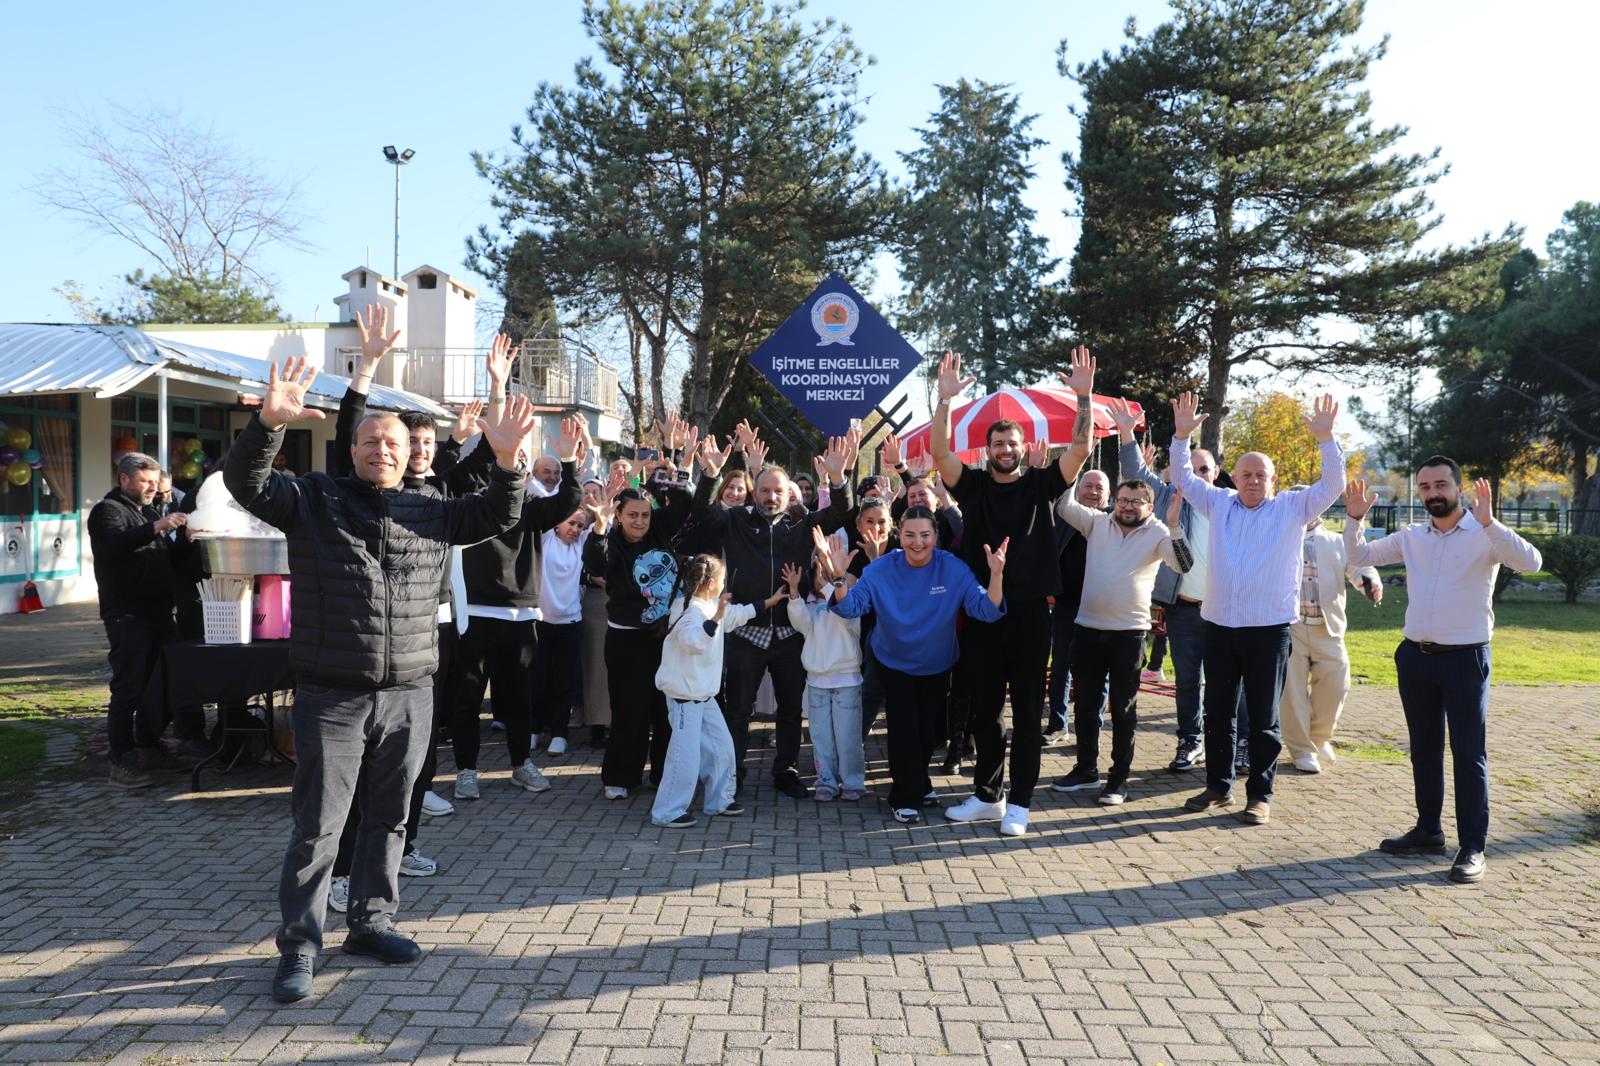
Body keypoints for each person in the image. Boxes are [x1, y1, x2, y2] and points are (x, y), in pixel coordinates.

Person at [225, 355, 536, 1004]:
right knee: (319, 829)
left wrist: (507, 464)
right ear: (353, 447)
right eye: (370, 440)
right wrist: (267, 427)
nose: (382, 450)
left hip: (410, 694)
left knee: (390, 818)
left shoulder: (433, 508)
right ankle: (300, 948)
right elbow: (248, 484)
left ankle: (370, 924)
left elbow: (497, 517)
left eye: (393, 443)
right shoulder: (313, 499)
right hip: (330, 695)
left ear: (407, 454)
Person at [1344, 462, 1542, 884]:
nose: (1433, 492)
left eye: (1441, 484)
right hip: (1416, 657)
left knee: (1469, 755)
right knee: (1424, 748)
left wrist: (1490, 523)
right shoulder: (1413, 536)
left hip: (1465, 659)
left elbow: (1532, 563)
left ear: (1459, 488)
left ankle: (1473, 847)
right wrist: (1355, 519)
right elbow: (1359, 557)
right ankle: (1428, 830)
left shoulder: (1484, 535)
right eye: (1425, 486)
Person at [932, 348, 1095, 838]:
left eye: (1012, 441)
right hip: (982, 611)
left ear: (1025, 447)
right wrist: (945, 402)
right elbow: (941, 453)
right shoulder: (973, 485)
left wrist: (1083, 396)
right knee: (984, 711)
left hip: (1029, 615)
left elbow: (1082, 450)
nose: (1005, 448)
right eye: (998, 442)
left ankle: (1019, 804)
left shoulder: (1043, 485)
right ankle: (988, 795)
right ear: (987, 450)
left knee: (1027, 712)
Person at [1167, 390, 1346, 826]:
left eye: (1259, 475)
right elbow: (1184, 479)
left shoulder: (1292, 508)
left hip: (1268, 632)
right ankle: (1218, 785)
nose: (1251, 481)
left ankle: (1260, 794)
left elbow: (1333, 485)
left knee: (1264, 719)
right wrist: (1181, 437)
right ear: (1235, 478)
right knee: (1218, 712)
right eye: (1245, 474)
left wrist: (1326, 440)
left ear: (1273, 479)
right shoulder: (1219, 502)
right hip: (1220, 628)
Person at [687, 426, 853, 799]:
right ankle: (733, 772)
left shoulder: (802, 523)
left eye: (778, 490)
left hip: (791, 632)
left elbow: (842, 511)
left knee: (791, 709)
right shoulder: (735, 521)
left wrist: (840, 478)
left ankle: (786, 770)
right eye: (764, 490)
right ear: (754, 491)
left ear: (787, 493)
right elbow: (702, 511)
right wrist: (712, 475)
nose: (771, 496)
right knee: (739, 709)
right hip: (747, 629)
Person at [818, 511, 1008, 824]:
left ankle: (920, 782)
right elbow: (849, 607)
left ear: (935, 537)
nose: (917, 542)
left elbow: (986, 610)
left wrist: (996, 576)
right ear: (900, 535)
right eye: (910, 535)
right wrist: (839, 579)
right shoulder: (880, 569)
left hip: (936, 663)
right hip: (893, 661)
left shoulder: (952, 568)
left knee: (928, 732)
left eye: (924, 535)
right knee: (905, 729)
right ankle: (904, 796)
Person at [1110, 398, 1241, 773]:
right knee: (1187, 682)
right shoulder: (1170, 495)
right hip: (1184, 608)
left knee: (1231, 682)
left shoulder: (1231, 504)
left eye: (1205, 469)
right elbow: (1135, 470)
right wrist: (1125, 433)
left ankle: (1234, 743)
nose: (1198, 474)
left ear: (1216, 472)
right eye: (1193, 468)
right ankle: (1190, 741)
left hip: (1227, 611)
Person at [1049, 479, 1192, 805]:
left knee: (1124, 710)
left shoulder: (1157, 531)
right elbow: (1063, 505)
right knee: (1085, 705)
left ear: (1149, 506)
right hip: (1087, 628)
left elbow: (1183, 563)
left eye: (1136, 501)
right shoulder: (1097, 522)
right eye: (1124, 499)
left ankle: (1118, 779)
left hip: (1129, 634)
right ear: (1115, 500)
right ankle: (1086, 770)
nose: (1128, 506)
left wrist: (1173, 526)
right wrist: (1076, 463)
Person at [584, 450, 697, 799]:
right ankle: (620, 776)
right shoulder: (611, 538)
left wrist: (683, 467)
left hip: (665, 638)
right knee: (629, 711)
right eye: (631, 515)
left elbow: (684, 506)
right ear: (618, 516)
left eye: (645, 515)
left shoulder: (659, 532)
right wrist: (600, 527)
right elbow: (597, 565)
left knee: (664, 711)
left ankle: (663, 774)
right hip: (626, 641)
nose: (639, 521)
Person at [651, 554, 783, 827]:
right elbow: (693, 642)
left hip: (704, 696)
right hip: (684, 698)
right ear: (712, 583)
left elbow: (739, 613)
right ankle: (667, 812)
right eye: (722, 580)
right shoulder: (689, 611)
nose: (725, 585)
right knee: (684, 758)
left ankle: (719, 800)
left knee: (722, 748)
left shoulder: (712, 605)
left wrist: (770, 601)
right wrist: (717, 617)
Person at [87, 451, 192, 787]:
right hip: (127, 616)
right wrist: (158, 526)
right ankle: (122, 761)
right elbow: (114, 546)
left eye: (154, 482)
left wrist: (189, 541)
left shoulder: (146, 513)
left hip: (159, 614)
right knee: (128, 690)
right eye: (145, 482)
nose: (151, 488)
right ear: (124, 479)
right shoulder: (108, 511)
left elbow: (164, 557)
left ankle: (149, 746)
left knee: (160, 686)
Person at [1281, 496, 1381, 774]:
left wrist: (1370, 583)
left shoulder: (1336, 541)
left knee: (1338, 682)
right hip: (1290, 627)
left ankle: (1319, 737)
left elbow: (1361, 566)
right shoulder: (1280, 537)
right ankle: (1301, 750)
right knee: (1292, 691)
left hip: (1328, 627)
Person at [782, 556, 865, 802]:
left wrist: (831, 585)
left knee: (848, 736)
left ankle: (852, 781)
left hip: (846, 681)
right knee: (820, 736)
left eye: (830, 571)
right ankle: (826, 780)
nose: (824, 575)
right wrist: (795, 592)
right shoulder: (812, 605)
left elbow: (845, 616)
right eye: (821, 569)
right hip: (817, 681)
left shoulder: (851, 601)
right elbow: (800, 623)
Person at [1045, 469, 1109, 745]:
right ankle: (1058, 724)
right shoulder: (1065, 519)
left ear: (1108, 495)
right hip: (1066, 606)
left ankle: (1092, 728)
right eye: (1088, 486)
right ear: (1078, 489)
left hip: (1101, 610)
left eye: (1099, 488)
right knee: (1060, 667)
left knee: (1097, 671)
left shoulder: (1113, 523)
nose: (1093, 492)